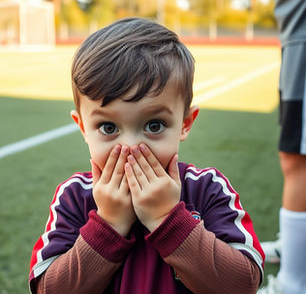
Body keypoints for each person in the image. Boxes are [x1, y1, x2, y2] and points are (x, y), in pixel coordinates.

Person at [29, 17, 264, 294]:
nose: (129, 146)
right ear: (82, 127)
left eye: (154, 125)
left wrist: (168, 219)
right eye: (108, 127)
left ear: (185, 123)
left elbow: (243, 286)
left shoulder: (207, 188)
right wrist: (108, 224)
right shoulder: (74, 196)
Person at [258, 0, 306, 294]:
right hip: (295, 36)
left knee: (296, 158)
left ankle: (293, 283)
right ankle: (295, 245)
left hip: (302, 37)